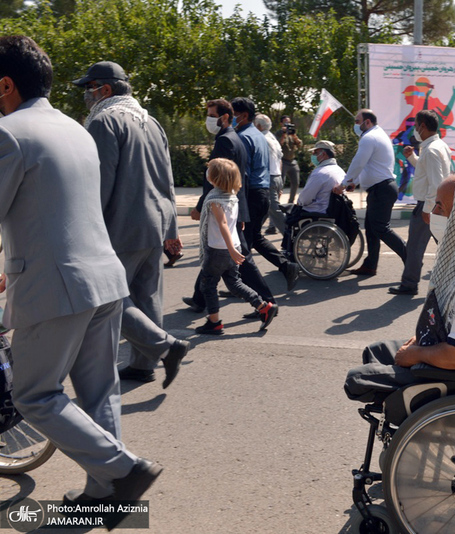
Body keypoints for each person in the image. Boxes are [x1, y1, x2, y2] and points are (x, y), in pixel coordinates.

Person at [0, 35, 162, 513]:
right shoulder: (75, 127)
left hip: (55, 285)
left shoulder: (10, 133)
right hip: (104, 279)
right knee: (99, 392)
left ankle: (124, 468)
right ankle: (105, 495)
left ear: (5, 84)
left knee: (34, 394)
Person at [344, 170, 455, 401]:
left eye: (440, 207)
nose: (432, 214)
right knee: (375, 351)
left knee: (357, 380)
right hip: (453, 354)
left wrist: (416, 355)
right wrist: (420, 341)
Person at [73, 60, 189, 386]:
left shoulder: (104, 121)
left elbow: (99, 183)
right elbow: (167, 180)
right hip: (154, 224)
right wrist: (172, 231)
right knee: (146, 295)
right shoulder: (151, 122)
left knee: (105, 298)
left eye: (88, 88)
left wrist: (84, 229)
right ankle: (143, 364)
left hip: (119, 227)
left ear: (105, 89)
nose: (86, 95)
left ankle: (164, 347)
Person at [183, 99, 278, 322]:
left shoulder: (225, 141)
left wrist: (199, 207)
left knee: (235, 258)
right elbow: (240, 178)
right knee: (219, 260)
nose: (208, 119)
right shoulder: (235, 137)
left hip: (223, 205)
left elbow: (215, 180)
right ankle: (200, 300)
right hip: (234, 205)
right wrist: (242, 212)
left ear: (225, 117)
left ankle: (266, 301)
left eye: (211, 115)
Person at [195, 159, 278, 335]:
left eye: (209, 171)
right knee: (234, 283)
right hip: (234, 246)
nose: (206, 173)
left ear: (215, 178)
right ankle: (263, 306)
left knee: (208, 285)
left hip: (218, 249)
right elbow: (234, 221)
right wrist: (234, 248)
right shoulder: (232, 196)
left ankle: (214, 322)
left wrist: (231, 249)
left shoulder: (215, 199)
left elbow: (223, 223)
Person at [231, 98, 299, 291]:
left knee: (244, 244)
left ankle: (256, 293)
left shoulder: (243, 137)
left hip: (251, 194)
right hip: (262, 191)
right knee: (254, 239)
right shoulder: (260, 135)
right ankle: (287, 267)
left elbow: (243, 172)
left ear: (243, 115)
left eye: (233, 114)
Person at [335, 109, 407, 277]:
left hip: (382, 190)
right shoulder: (377, 135)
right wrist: (355, 182)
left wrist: (344, 184)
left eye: (357, 120)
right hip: (381, 188)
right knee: (371, 228)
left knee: (381, 228)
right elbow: (369, 166)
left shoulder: (369, 138)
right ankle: (370, 265)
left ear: (367, 122)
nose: (355, 125)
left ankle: (410, 258)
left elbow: (358, 162)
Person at [389, 110, 452, 296]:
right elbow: (428, 172)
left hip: (429, 206)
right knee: (446, 246)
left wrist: (427, 210)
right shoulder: (437, 146)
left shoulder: (432, 150)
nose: (415, 130)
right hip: (436, 206)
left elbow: (436, 183)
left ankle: (409, 284)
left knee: (415, 248)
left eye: (416, 126)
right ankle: (450, 283)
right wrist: (412, 158)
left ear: (423, 126)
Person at [281, 140, 345, 251]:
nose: (313, 156)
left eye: (315, 153)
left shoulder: (320, 173)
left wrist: (299, 203)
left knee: (291, 216)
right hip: (335, 212)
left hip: (319, 213)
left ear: (323, 154)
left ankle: (289, 251)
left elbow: (304, 199)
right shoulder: (339, 170)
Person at [254, 113, 285, 235]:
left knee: (274, 211)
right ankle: (250, 236)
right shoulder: (273, 138)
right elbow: (280, 159)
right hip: (276, 176)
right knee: (264, 210)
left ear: (259, 126)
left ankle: (291, 236)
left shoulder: (261, 139)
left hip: (269, 178)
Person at [277, 114, 303, 204]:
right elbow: (278, 146)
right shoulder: (279, 133)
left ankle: (291, 202)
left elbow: (299, 144)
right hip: (283, 161)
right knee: (281, 183)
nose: (287, 124)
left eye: (289, 122)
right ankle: (276, 203)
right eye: (285, 122)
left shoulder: (292, 133)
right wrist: (283, 134)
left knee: (296, 182)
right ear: (281, 123)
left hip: (292, 161)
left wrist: (294, 136)